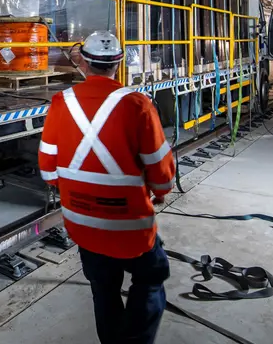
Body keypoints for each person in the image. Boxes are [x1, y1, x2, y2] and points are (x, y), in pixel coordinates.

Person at [37, 31, 176, 344]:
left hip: (83, 225)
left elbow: (48, 170)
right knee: (151, 277)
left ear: (84, 63)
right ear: (119, 63)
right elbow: (163, 176)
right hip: (132, 228)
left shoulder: (61, 103)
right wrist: (159, 193)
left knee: (103, 290)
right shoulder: (137, 104)